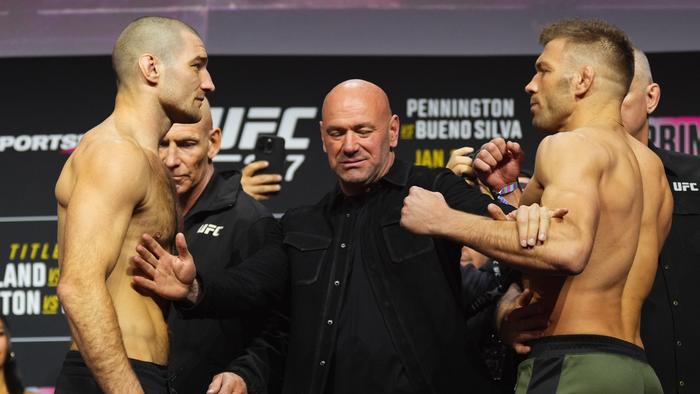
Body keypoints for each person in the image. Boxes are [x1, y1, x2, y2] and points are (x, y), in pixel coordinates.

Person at [132, 79, 561, 394]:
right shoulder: (303, 223)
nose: (349, 145)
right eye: (337, 133)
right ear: (322, 138)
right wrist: (194, 288)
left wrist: (501, 196)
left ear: (392, 131)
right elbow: (255, 287)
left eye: (363, 130)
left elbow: (515, 240)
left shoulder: (434, 190)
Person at [400, 19, 673, 393]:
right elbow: (590, 248)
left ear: (582, 81)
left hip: (573, 367)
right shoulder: (651, 167)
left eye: (543, 71)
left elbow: (569, 249)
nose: (531, 84)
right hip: (636, 370)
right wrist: (512, 193)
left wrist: (444, 219)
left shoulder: (569, 146)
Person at [54, 16, 215, 393]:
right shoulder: (115, 154)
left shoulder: (145, 158)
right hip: (114, 379)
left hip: (138, 376)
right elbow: (77, 286)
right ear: (151, 67)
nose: (208, 83)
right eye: (197, 66)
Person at [157, 99, 286, 394]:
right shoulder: (137, 217)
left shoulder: (250, 221)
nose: (171, 159)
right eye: (162, 144)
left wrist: (244, 374)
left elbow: (278, 327)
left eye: (186, 144)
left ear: (213, 143)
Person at [623, 48, 700, 394]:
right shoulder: (572, 188)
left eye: (620, 92)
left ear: (650, 97)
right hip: (628, 374)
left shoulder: (694, 173)